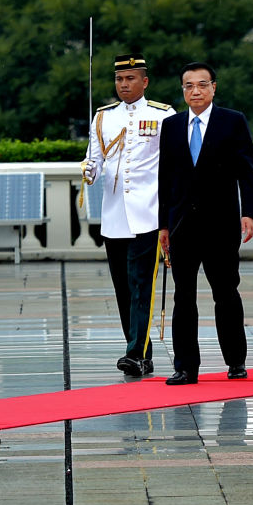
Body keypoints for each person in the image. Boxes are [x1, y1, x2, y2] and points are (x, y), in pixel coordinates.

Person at [158, 62, 253, 385]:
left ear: (214, 87)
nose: (196, 91)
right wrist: (163, 225)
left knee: (226, 292)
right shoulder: (171, 126)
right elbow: (165, 179)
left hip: (221, 223)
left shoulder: (233, 121)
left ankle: (236, 361)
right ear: (183, 90)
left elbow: (248, 171)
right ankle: (185, 367)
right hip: (182, 225)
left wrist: (249, 213)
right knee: (183, 296)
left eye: (202, 84)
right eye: (189, 86)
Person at [82, 53, 175, 377]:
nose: (124, 84)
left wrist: (170, 216)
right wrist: (89, 171)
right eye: (120, 79)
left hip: (148, 214)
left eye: (131, 78)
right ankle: (142, 354)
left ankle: (134, 352)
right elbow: (93, 162)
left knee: (141, 285)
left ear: (144, 81)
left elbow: (173, 166)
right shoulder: (103, 117)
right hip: (114, 216)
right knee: (123, 288)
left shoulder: (163, 114)